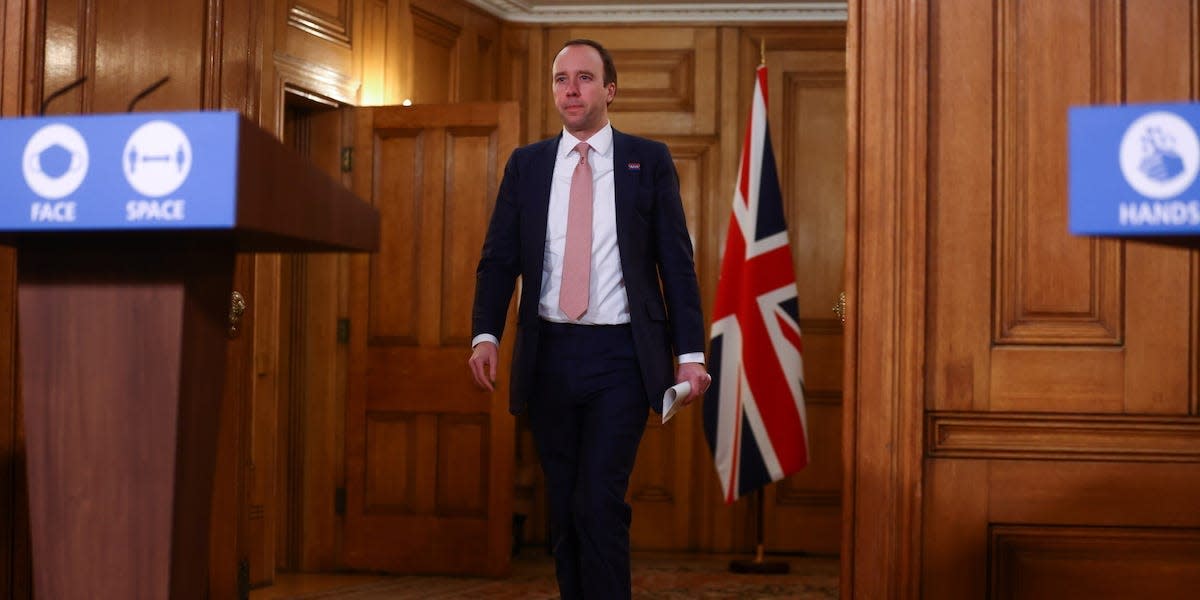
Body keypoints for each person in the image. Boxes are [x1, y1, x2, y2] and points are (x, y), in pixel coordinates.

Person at [467, 38, 710, 598]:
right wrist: (486, 334)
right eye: (560, 79)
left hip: (621, 359)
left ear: (609, 90)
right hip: (548, 354)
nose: (570, 89)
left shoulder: (647, 161)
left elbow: (676, 262)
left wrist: (691, 355)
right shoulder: (526, 166)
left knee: (599, 500)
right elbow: (498, 259)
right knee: (567, 507)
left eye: (583, 78)